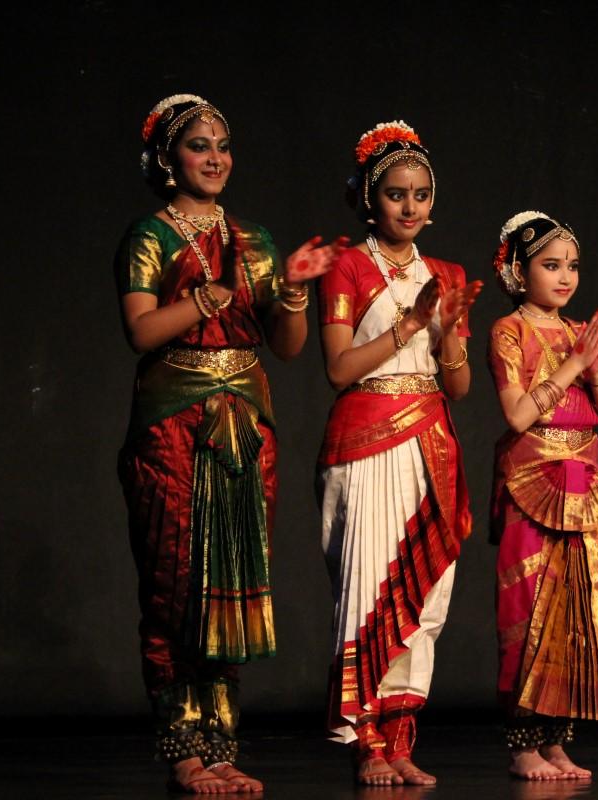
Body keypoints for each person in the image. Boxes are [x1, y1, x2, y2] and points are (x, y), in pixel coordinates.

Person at [117, 93, 343, 793]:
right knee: (176, 582)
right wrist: (203, 302)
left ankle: (221, 747)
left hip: (246, 422)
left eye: (222, 145)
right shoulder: (149, 235)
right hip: (174, 425)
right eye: (199, 146)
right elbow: (142, 333)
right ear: (168, 160)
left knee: (231, 582)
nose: (215, 158)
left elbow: (287, 345)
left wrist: (298, 292)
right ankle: (183, 747)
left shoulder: (256, 240)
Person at [316, 120, 483, 786]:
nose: (409, 207)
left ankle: (402, 737)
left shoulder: (447, 274)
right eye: (395, 194)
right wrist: (409, 325)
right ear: (368, 198)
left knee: (427, 596)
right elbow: (337, 369)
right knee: (368, 589)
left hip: (430, 440)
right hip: (366, 436)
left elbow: (462, 384)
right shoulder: (345, 266)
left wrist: (443, 335)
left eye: (419, 194)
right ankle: (366, 742)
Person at [487, 212, 598, 781]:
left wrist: (595, 372)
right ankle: (523, 745)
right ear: (519, 272)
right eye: (550, 265)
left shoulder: (578, 333)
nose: (565, 276)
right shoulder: (508, 330)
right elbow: (518, 415)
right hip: (531, 480)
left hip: (583, 481)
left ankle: (558, 740)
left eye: (571, 265)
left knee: (576, 612)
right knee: (527, 606)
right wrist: (574, 365)